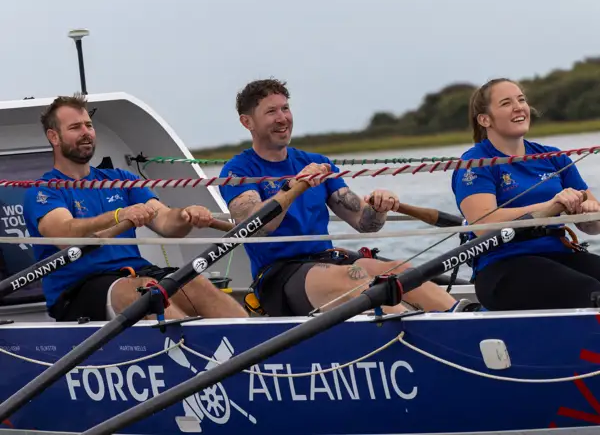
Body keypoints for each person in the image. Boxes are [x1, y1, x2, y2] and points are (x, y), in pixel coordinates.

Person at [218, 78, 473, 316]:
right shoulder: (238, 171)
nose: (282, 118)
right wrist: (295, 187)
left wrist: (379, 206)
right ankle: (419, 330)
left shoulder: (316, 162)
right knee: (353, 278)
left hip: (326, 261)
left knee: (401, 270)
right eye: (271, 111)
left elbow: (365, 223)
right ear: (247, 122)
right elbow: (256, 226)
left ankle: (465, 319)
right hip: (278, 275)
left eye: (285, 108)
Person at [23, 94, 247, 322]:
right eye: (75, 127)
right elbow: (65, 233)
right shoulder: (43, 191)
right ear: (54, 137)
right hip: (77, 290)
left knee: (197, 283)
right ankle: (190, 351)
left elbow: (168, 224)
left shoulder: (121, 180)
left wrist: (186, 214)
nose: (86, 132)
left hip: (137, 274)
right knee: (145, 293)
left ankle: (251, 347)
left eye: (88, 125)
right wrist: (119, 215)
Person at [451, 78, 600, 311]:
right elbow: (483, 223)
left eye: (521, 100)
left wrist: (590, 213)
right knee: (592, 292)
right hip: (504, 266)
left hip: (558, 254)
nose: (519, 107)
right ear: (484, 119)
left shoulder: (553, 157)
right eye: (506, 103)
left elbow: (594, 227)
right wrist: (549, 206)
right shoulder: (475, 163)